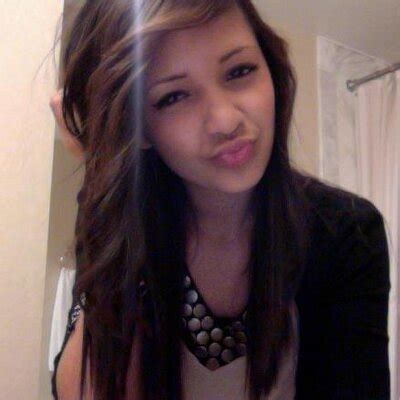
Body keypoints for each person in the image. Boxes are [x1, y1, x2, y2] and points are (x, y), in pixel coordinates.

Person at [49, 1, 391, 399]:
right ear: (136, 127)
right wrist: (102, 176)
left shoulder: (343, 231)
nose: (226, 121)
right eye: (174, 97)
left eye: (240, 71)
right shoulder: (125, 231)